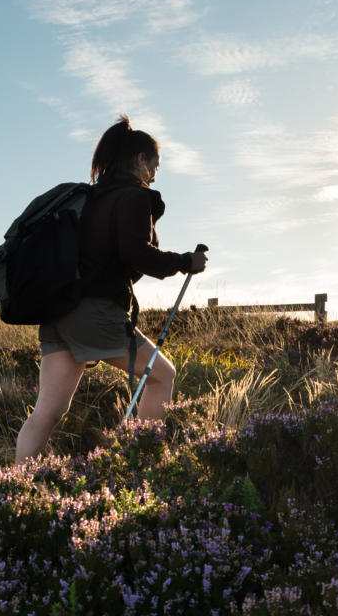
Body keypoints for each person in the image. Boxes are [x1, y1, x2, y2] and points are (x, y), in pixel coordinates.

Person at [15, 116, 206, 462]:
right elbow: (136, 253)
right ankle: (146, 463)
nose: (155, 173)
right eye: (155, 164)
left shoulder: (90, 198)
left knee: (48, 411)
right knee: (163, 376)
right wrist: (184, 262)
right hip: (94, 310)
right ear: (139, 160)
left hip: (59, 310)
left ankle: (13, 486)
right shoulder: (133, 197)